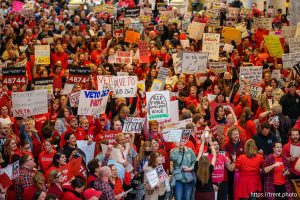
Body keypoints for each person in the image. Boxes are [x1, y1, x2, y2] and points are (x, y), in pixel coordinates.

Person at [194, 135, 216, 200]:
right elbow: (214, 155)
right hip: (209, 193)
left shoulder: (196, 167)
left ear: (199, 162)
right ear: (208, 162)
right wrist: (210, 142)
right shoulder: (210, 168)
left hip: (199, 194)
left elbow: (200, 152)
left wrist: (203, 140)